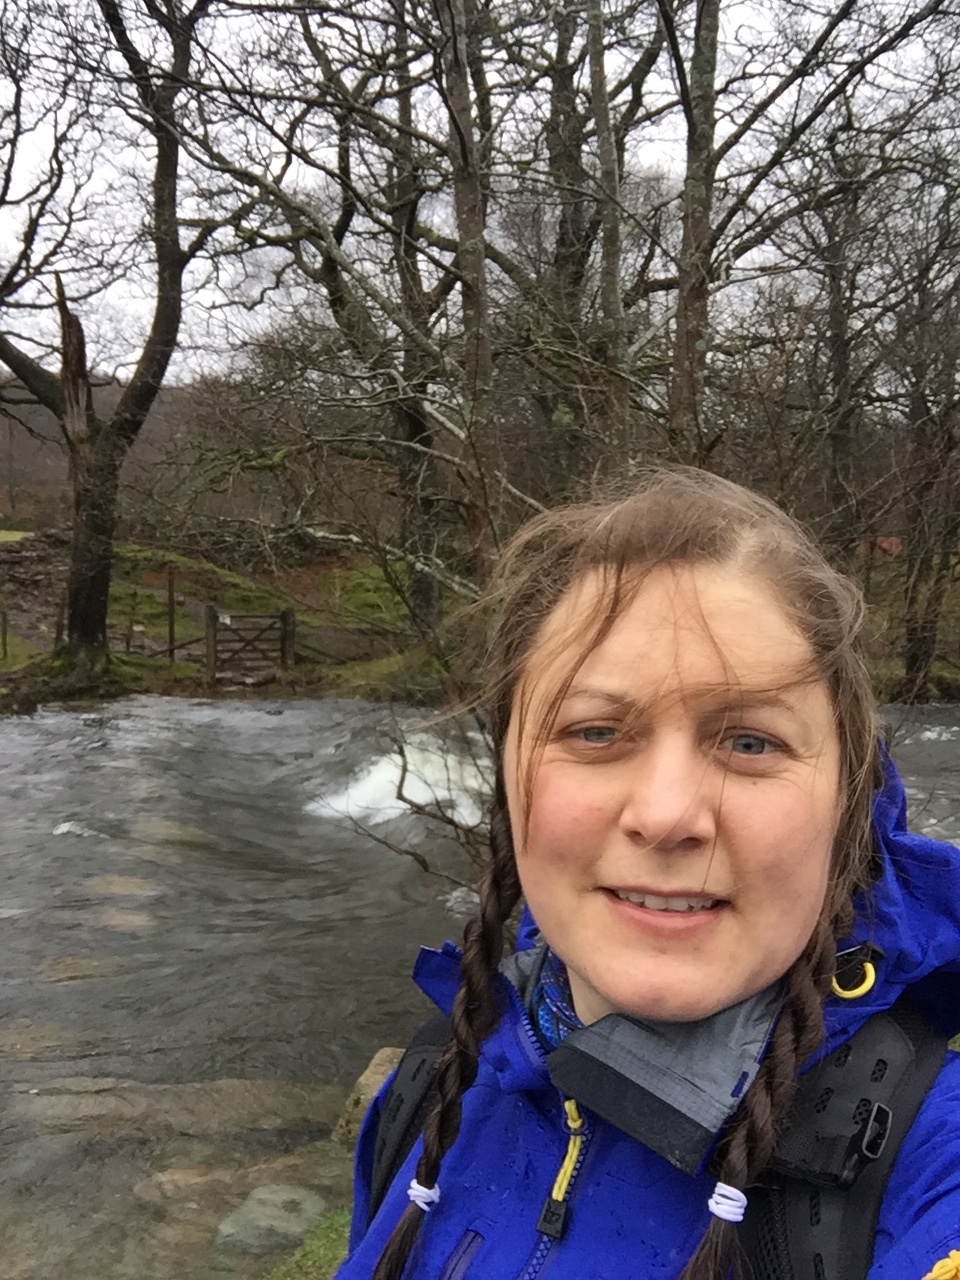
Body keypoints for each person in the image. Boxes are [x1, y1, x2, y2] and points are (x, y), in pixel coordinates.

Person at [335, 469, 960, 1280]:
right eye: (595, 732)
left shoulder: (930, 1165)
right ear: (509, 780)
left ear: (847, 801)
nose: (667, 816)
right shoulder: (431, 1091)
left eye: (750, 742)